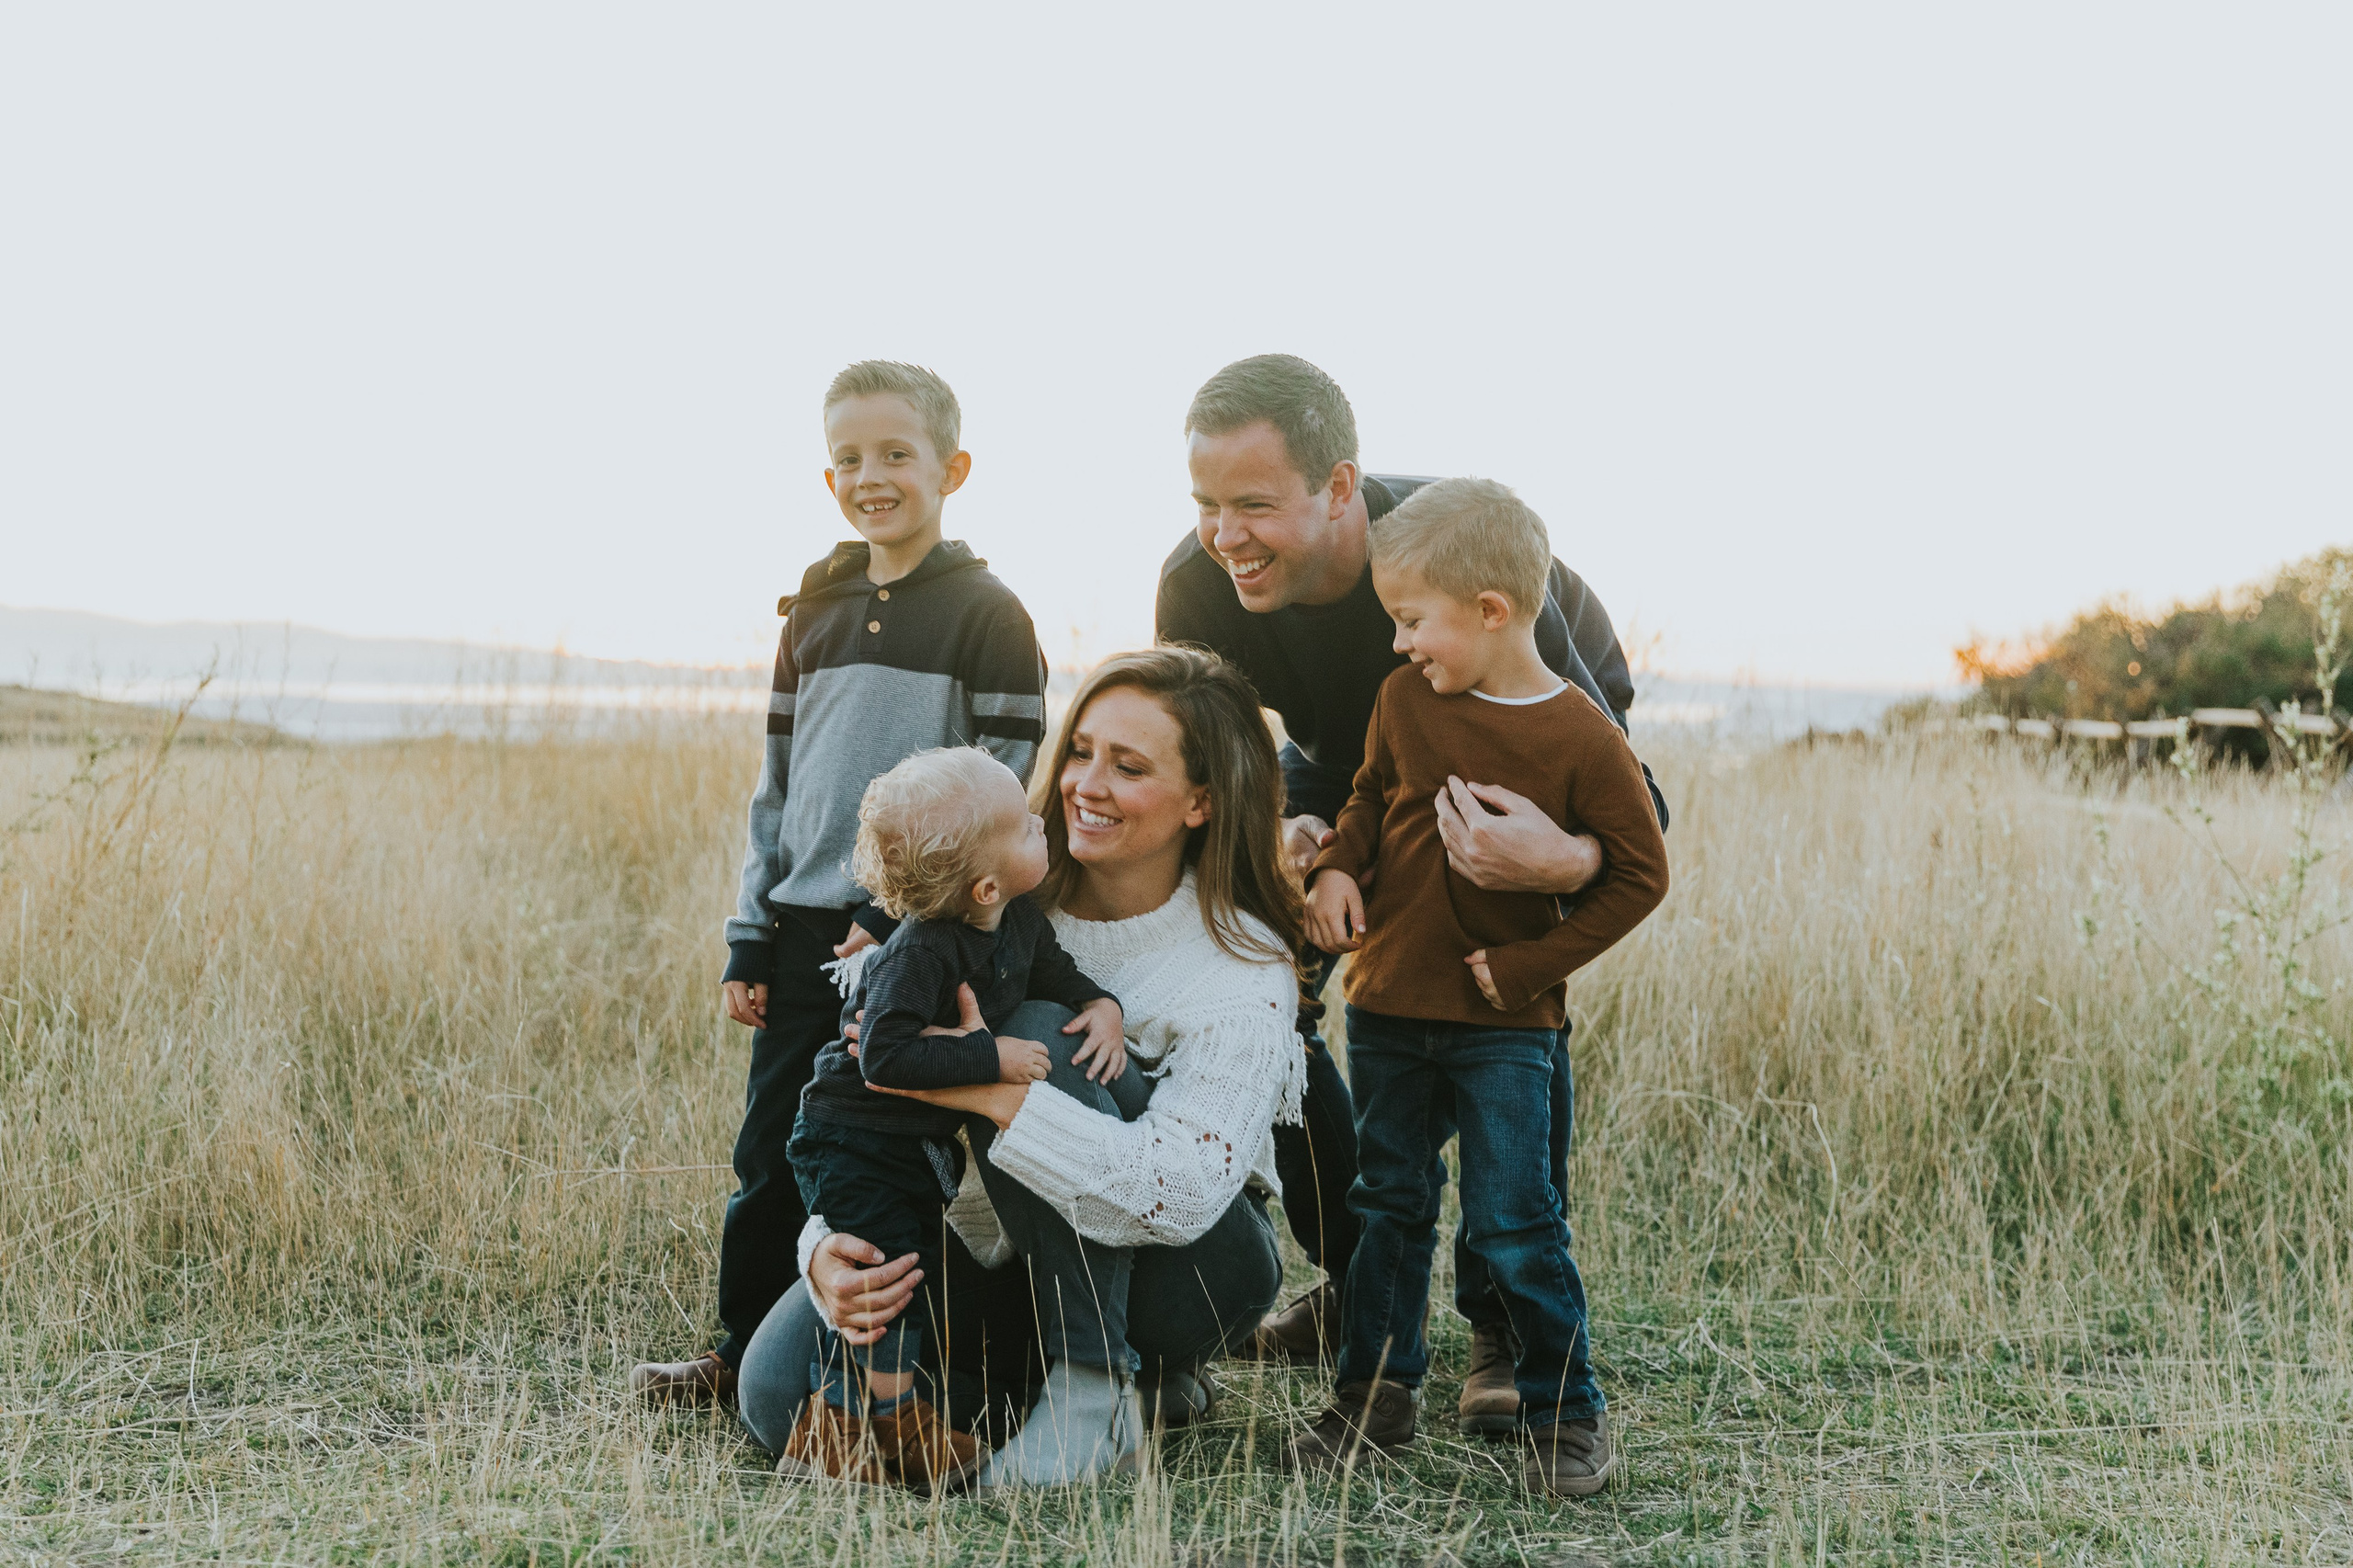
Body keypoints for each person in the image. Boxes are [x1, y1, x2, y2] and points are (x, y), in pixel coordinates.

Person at [1154, 353, 1665, 1435]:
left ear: (1342, 489)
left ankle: (1496, 1322)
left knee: (1495, 987)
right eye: (1205, 503)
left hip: (1510, 723)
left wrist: (1558, 864)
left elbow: (1637, 820)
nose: (1223, 534)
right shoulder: (1199, 585)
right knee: (1264, 975)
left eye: (1253, 504)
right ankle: (1358, 1288)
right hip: (1350, 757)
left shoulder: (1459, 563)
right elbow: (1204, 767)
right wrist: (1290, 840)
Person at [735, 647, 1302, 1487]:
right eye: (1079, 751)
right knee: (780, 1392)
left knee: (1045, 1029)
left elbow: (1181, 1195)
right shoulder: (980, 897)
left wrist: (994, 1091)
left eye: (1129, 765)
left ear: (1202, 801)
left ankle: (1094, 1388)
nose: (1084, 784)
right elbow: (860, 1100)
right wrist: (825, 1253)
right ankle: (1075, 1387)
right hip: (996, 1255)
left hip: (1188, 1270)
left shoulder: (1240, 966)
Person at [631, 361, 1048, 1405]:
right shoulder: (811, 609)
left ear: (950, 467)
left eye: (896, 453)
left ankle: (896, 1368)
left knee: (882, 1155)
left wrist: (891, 912)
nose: (872, 475)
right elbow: (774, 788)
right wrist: (747, 933)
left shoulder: (988, 612)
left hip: (915, 937)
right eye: (850, 457)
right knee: (775, 1146)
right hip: (801, 921)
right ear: (830, 479)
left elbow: (1006, 779)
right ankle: (743, 1354)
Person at [1279, 477, 1668, 1495]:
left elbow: (1640, 873)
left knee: (1514, 1219)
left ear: (1492, 611)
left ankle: (1564, 1409)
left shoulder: (1581, 735)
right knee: (1387, 1205)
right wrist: (1332, 868)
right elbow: (1368, 797)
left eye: (1413, 620)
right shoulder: (1405, 701)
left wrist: (1529, 966)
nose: (1400, 643)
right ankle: (1373, 1393)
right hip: (1388, 1006)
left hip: (1506, 1023)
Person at [778, 747, 1124, 1488]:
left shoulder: (1018, 922)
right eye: (1025, 826)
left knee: (899, 1269)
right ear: (986, 882)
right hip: (852, 1137)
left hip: (906, 1146)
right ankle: (864, 1432)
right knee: (884, 1274)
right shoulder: (922, 949)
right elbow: (881, 1057)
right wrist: (989, 1058)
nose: (1041, 818)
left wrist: (1104, 1007)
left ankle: (867, 1431)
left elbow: (1059, 976)